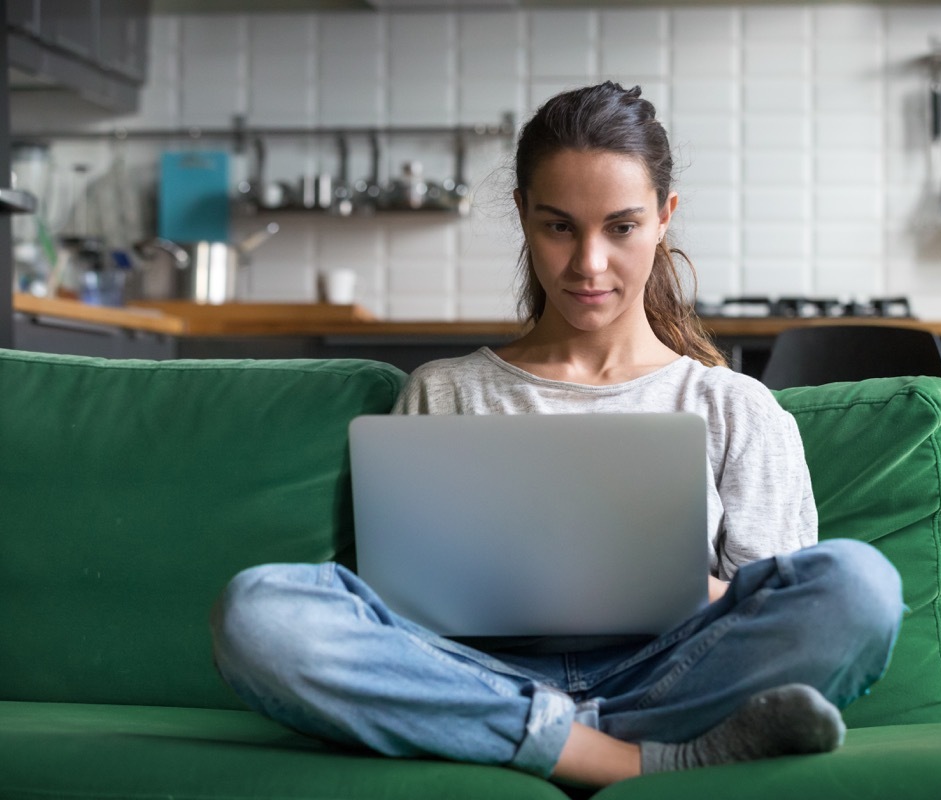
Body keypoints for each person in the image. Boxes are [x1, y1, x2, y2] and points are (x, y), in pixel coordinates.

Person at [210, 81, 904, 789]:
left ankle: (518, 741)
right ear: (522, 215)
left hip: (668, 677)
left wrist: (666, 584)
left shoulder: (733, 406)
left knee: (860, 586)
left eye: (621, 227)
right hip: (478, 674)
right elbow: (403, 610)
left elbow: (771, 606)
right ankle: (621, 758)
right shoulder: (444, 392)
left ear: (665, 219)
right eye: (560, 225)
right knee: (259, 612)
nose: (589, 264)